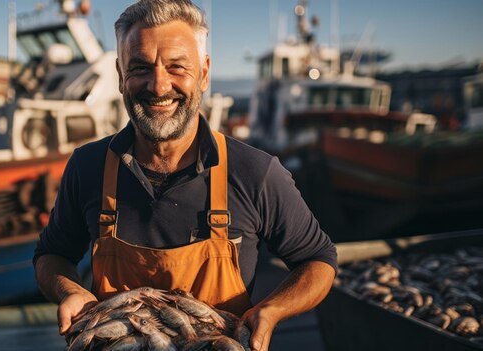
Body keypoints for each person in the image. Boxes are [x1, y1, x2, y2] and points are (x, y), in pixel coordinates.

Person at [33, 0, 337, 350]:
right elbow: (51, 253)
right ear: (120, 76)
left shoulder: (256, 172)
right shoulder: (88, 167)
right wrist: (69, 290)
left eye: (177, 67)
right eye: (140, 68)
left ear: (204, 73)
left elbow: (318, 260)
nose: (159, 86)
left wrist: (272, 309)